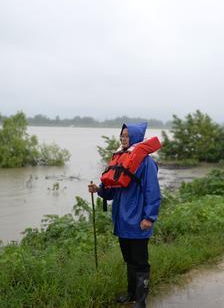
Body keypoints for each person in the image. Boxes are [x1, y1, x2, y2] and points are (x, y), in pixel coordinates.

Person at [88, 122, 161, 308]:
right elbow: (112, 190)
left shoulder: (146, 163)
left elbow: (152, 192)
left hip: (138, 221)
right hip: (122, 221)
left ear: (135, 137)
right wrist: (99, 189)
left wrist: (149, 217)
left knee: (140, 262)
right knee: (129, 260)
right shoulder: (122, 159)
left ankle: (141, 299)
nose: (123, 138)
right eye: (122, 135)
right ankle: (131, 294)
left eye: (127, 135)